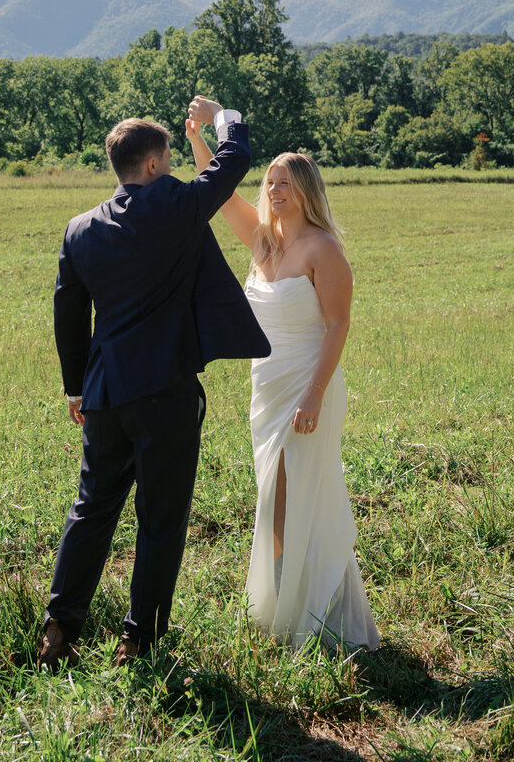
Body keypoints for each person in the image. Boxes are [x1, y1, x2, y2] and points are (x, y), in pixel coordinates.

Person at [39, 102, 270, 671]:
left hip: (105, 396)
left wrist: (76, 390)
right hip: (165, 390)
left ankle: (58, 630)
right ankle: (139, 640)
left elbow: (68, 315)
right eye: (167, 160)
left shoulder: (80, 229)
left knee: (91, 509)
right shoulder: (175, 204)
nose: (171, 169)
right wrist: (225, 116)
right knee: (161, 518)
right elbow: (236, 156)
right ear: (149, 165)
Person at [186, 106, 380, 650]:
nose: (274, 191)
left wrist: (315, 392)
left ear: (307, 191)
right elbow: (221, 193)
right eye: (269, 182)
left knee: (299, 495)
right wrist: (202, 137)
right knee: (273, 498)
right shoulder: (265, 242)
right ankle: (283, 609)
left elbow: (339, 325)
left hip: (308, 385)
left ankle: (317, 615)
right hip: (266, 390)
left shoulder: (324, 249)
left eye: (284, 184)